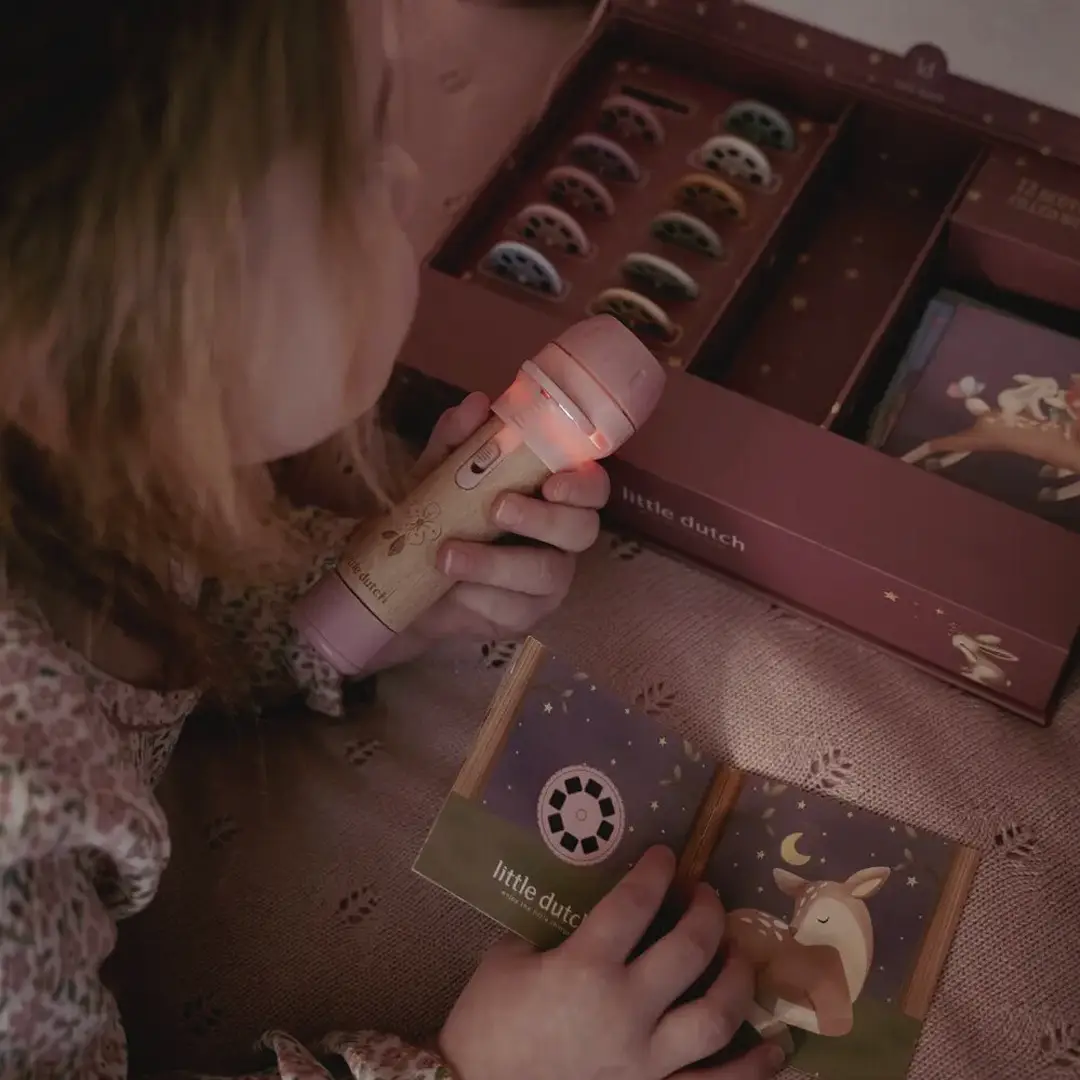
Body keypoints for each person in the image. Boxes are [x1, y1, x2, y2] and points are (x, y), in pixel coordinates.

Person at [0, 4, 782, 1078]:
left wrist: (354, 606)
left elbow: (174, 602)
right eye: (355, 167)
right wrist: (492, 1071)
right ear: (81, 336)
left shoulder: (92, 463)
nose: (411, 183)